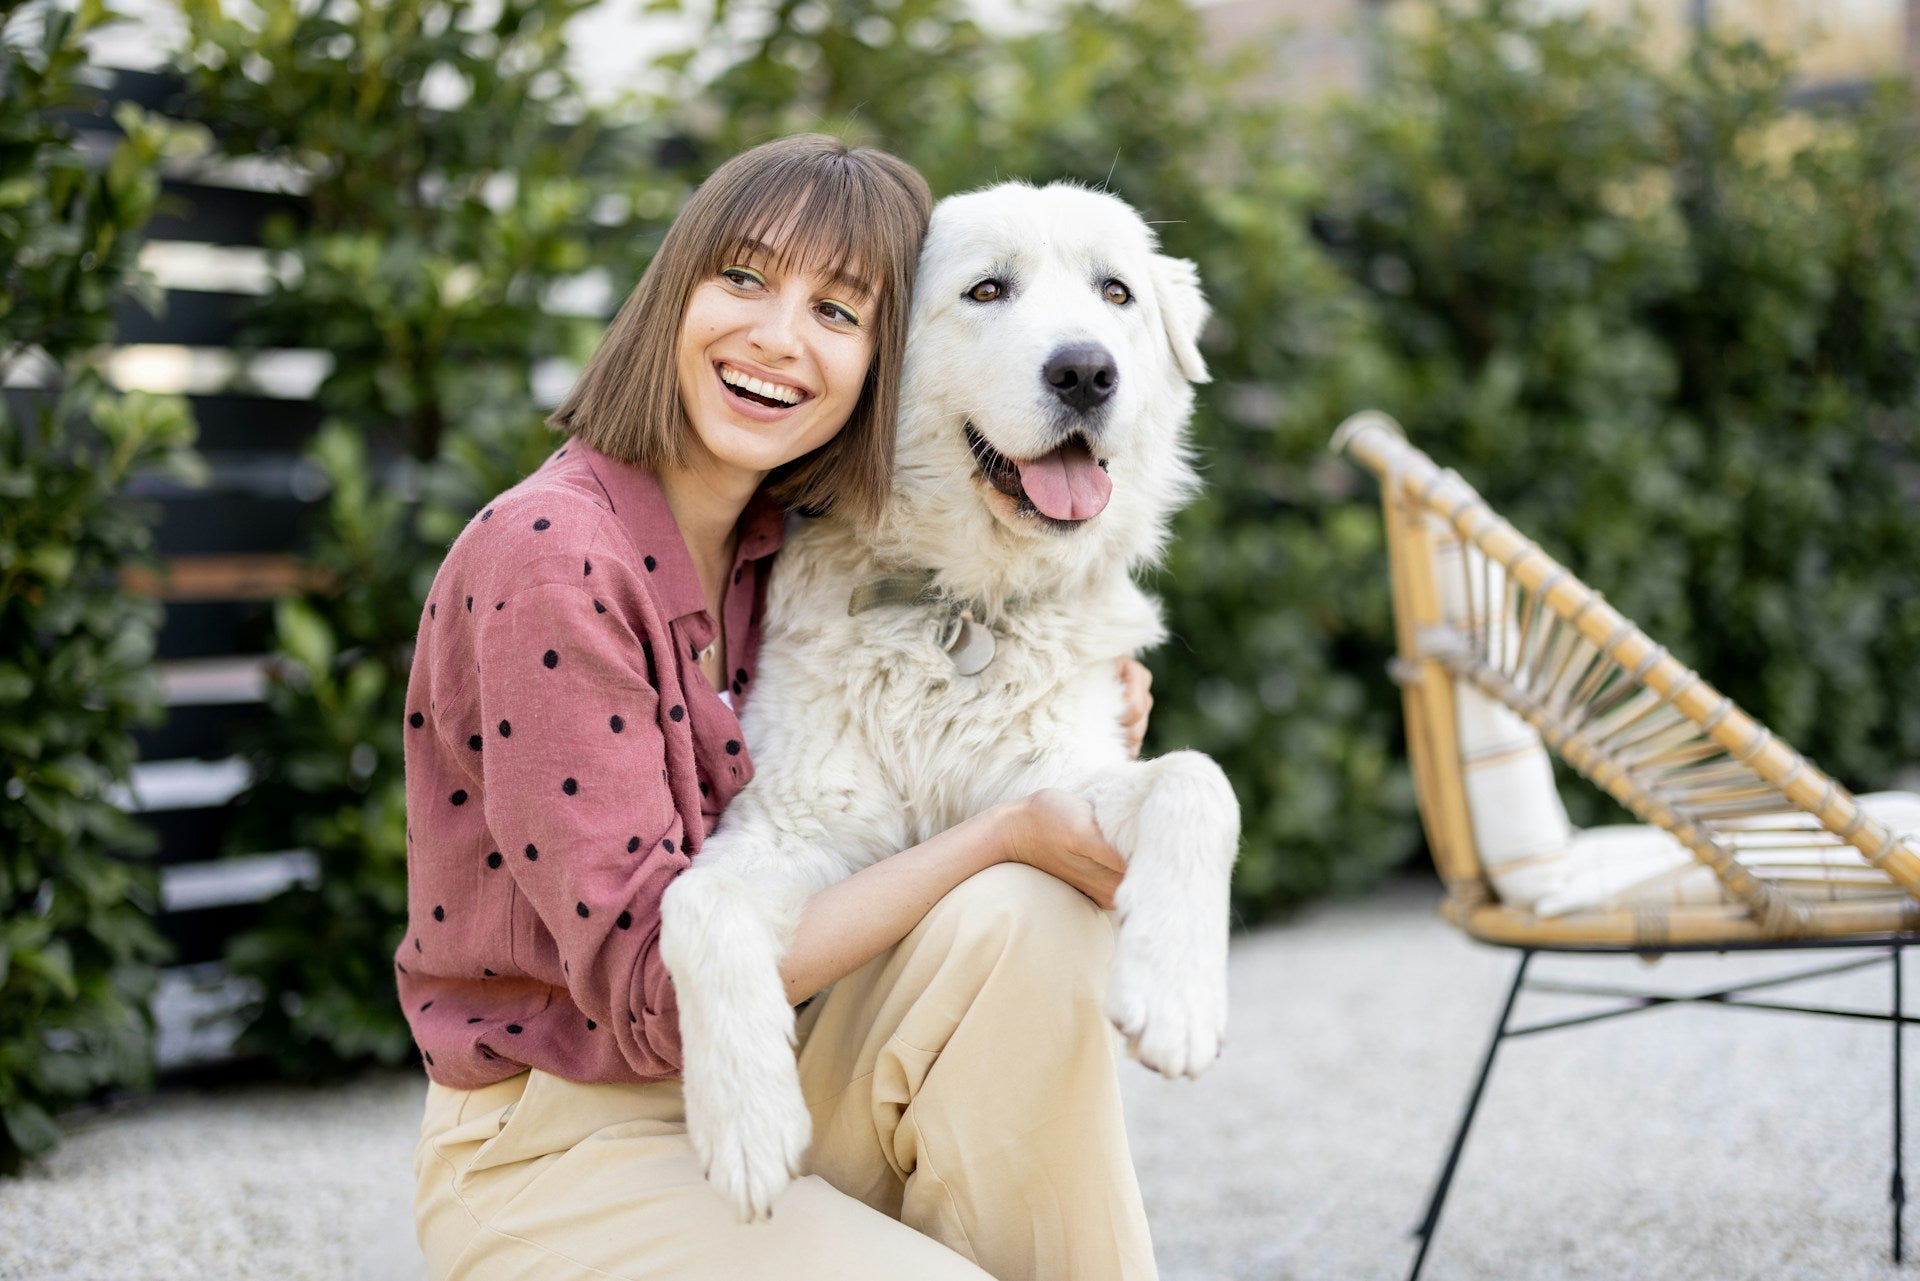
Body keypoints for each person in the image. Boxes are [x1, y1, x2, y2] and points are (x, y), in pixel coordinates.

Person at [400, 133, 1160, 1281]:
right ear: (675, 292)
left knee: (1033, 913)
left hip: (783, 1081)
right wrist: (1002, 832)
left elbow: (908, 779)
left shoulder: (788, 546)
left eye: (840, 313)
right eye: (744, 279)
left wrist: (1062, 736)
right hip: (564, 1141)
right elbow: (659, 995)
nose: (779, 338)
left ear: (886, 364)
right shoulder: (552, 557)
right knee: (1008, 868)